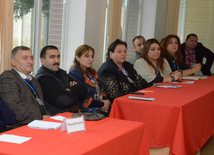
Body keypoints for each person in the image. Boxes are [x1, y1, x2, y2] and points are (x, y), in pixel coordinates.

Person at [0, 46, 50, 127]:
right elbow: (15, 108)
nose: (30, 61)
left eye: (31, 58)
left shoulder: (33, 80)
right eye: (25, 58)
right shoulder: (8, 76)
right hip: (22, 127)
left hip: (42, 123)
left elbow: (41, 105)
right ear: (13, 61)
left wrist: (50, 117)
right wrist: (40, 118)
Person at [35, 45, 87, 115]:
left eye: (58, 57)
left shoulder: (61, 73)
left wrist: (69, 90)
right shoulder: (43, 78)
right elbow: (65, 101)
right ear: (43, 61)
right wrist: (74, 90)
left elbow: (84, 89)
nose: (56, 60)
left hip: (74, 115)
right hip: (57, 119)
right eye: (52, 57)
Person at [69, 44, 110, 113]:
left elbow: (101, 87)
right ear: (77, 58)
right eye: (87, 56)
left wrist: (106, 100)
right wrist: (102, 104)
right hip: (87, 110)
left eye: (92, 56)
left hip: (98, 107)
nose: (90, 59)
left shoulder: (91, 72)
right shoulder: (74, 74)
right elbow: (82, 99)